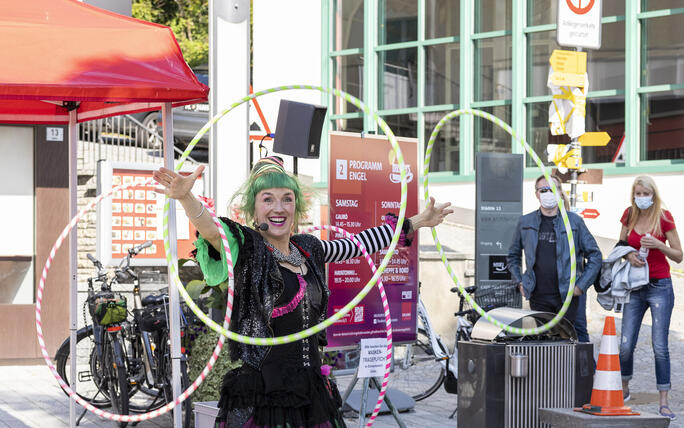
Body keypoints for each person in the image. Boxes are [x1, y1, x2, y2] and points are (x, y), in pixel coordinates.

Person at [153, 156, 453, 428]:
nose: (278, 208)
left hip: (311, 391)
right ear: (253, 208)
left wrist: (418, 221)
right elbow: (211, 230)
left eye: (287, 199)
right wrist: (187, 198)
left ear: (296, 205)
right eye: (267, 199)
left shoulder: (308, 248)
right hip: (265, 397)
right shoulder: (246, 247)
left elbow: (362, 243)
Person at [617, 176, 682, 421]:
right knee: (625, 344)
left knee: (660, 346)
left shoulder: (664, 217)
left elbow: (679, 255)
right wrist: (629, 255)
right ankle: (624, 389)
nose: (642, 197)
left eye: (646, 193)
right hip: (634, 286)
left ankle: (663, 401)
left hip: (659, 286)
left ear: (653, 194)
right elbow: (620, 245)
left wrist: (658, 244)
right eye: (638, 193)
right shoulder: (629, 214)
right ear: (633, 194)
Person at [507, 174, 602, 340]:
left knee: (567, 341)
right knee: (543, 343)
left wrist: (581, 285)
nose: (548, 193)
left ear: (559, 192)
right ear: (537, 194)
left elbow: (595, 255)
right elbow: (513, 256)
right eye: (543, 190)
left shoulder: (574, 222)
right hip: (538, 296)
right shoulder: (525, 222)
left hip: (566, 295)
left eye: (552, 189)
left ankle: (575, 367)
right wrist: (520, 282)